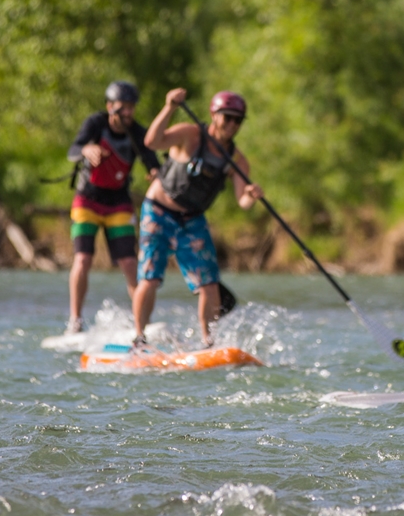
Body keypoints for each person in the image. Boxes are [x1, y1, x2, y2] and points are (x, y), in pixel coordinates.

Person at [133, 88, 262, 347]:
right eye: (228, 117)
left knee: (209, 283)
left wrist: (252, 194)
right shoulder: (190, 135)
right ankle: (139, 337)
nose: (232, 125)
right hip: (158, 210)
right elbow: (152, 142)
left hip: (192, 220)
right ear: (214, 115)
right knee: (150, 277)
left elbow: (243, 201)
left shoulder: (236, 160)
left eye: (238, 120)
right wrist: (169, 107)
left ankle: (208, 342)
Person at [66, 81, 162, 334]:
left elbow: (152, 162)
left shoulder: (138, 133)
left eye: (131, 108)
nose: (128, 113)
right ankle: (75, 321)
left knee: (130, 263)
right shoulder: (96, 124)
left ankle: (143, 325)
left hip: (118, 203)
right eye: (122, 108)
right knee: (83, 259)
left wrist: (155, 173)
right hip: (87, 200)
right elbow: (73, 150)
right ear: (110, 107)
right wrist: (88, 149)